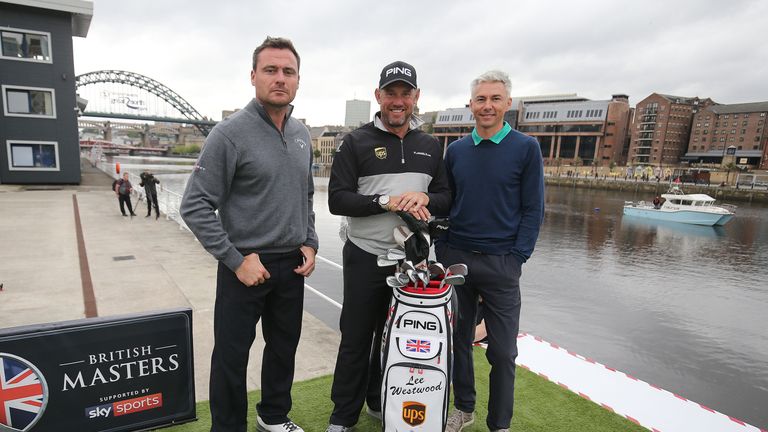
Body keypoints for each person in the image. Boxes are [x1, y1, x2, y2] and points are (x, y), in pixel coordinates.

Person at [180, 36, 318, 432]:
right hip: (245, 264)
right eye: (271, 70)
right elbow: (194, 205)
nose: (280, 78)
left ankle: (273, 416)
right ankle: (227, 427)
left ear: (297, 80)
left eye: (288, 71)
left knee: (283, 348)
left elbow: (306, 194)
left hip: (291, 264)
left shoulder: (302, 134)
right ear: (253, 76)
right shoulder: (229, 134)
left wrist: (310, 241)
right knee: (231, 356)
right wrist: (237, 260)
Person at [325, 61, 451, 432]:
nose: (398, 101)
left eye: (405, 94)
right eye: (390, 93)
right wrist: (385, 201)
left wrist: (423, 196)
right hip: (365, 255)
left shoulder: (430, 145)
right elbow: (337, 200)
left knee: (397, 337)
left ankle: (380, 402)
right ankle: (342, 417)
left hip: (411, 259)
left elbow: (445, 198)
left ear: (416, 98)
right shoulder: (356, 142)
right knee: (357, 337)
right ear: (377, 96)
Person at [437, 70, 544, 432]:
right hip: (458, 259)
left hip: (502, 264)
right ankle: (463, 408)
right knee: (459, 342)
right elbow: (446, 204)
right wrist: (443, 251)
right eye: (481, 99)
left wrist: (517, 258)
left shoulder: (526, 149)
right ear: (471, 105)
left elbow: (533, 209)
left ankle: (499, 424)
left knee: (503, 352)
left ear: (507, 104)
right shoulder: (455, 151)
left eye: (495, 99)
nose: (487, 106)